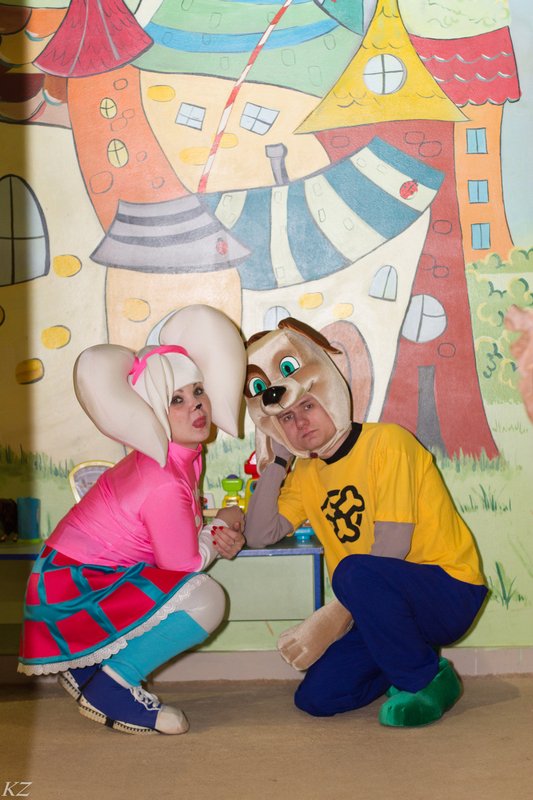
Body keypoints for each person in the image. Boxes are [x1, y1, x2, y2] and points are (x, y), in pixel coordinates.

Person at [244, 317, 488, 727]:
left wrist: (332, 617)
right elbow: (259, 533)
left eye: (307, 407)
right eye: (286, 419)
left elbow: (391, 548)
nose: (300, 423)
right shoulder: (307, 474)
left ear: (327, 394)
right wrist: (277, 462)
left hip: (448, 589)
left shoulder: (388, 442)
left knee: (353, 570)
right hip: (376, 606)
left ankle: (428, 680)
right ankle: (407, 658)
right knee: (316, 698)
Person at [18, 305, 247, 735]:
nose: (197, 405)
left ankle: (93, 669)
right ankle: (112, 685)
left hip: (73, 574)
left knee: (189, 588)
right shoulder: (164, 476)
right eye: (176, 399)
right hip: (73, 584)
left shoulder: (177, 457)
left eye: (198, 391)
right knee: (206, 598)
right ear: (154, 410)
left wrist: (217, 528)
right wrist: (219, 529)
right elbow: (183, 564)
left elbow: (173, 533)